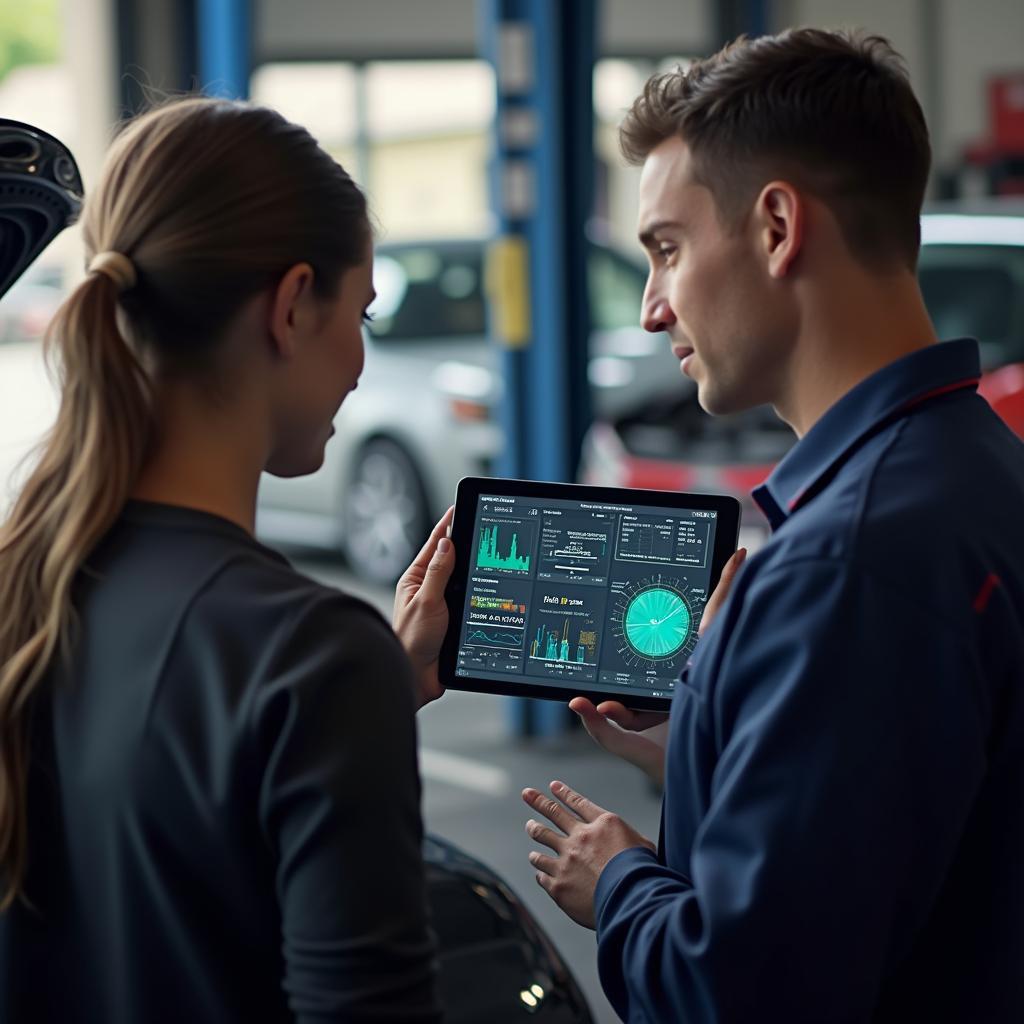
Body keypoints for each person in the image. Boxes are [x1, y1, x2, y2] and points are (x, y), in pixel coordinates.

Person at [521, 27, 1024, 1023]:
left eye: (666, 249)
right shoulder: (976, 469)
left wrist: (620, 879)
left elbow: (736, 992)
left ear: (777, 225)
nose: (653, 310)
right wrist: (721, 749)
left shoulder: (844, 563)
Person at [0, 97, 456, 1023]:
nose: (361, 362)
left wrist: (377, 692)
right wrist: (355, 693)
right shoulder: (311, 657)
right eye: (359, 314)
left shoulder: (23, 589)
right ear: (291, 306)